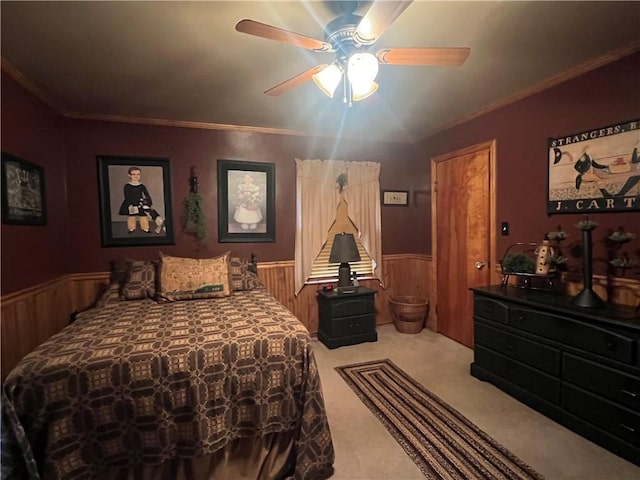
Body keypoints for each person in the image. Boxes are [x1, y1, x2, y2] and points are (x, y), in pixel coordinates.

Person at [118, 166, 152, 233]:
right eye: (134, 174)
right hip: (130, 203)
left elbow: (146, 194)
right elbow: (127, 196)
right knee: (131, 216)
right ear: (129, 175)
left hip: (140, 203)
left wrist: (149, 202)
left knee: (143, 215)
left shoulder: (142, 186)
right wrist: (130, 204)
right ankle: (131, 228)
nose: (136, 176)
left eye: (138, 174)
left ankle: (145, 228)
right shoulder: (127, 186)